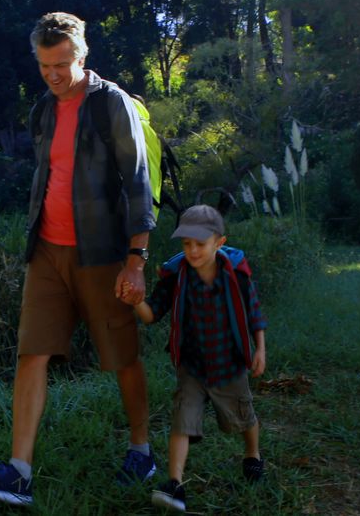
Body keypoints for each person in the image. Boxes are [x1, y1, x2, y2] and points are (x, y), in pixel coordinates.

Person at [0, 12, 158, 507]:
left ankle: (142, 449)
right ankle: (18, 471)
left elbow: (138, 184)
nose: (53, 74)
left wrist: (135, 260)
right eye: (45, 65)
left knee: (122, 358)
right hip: (47, 251)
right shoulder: (43, 110)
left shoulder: (111, 104)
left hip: (102, 253)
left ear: (82, 54)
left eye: (62, 63)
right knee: (32, 353)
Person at [125, 204, 268, 512]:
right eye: (186, 244)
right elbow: (151, 315)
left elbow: (254, 313)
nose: (192, 250)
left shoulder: (236, 276)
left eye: (200, 244)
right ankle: (174, 484)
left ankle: (252, 454)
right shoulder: (177, 276)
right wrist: (136, 301)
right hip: (191, 366)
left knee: (243, 416)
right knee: (182, 420)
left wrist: (260, 349)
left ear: (219, 242)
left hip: (228, 364)